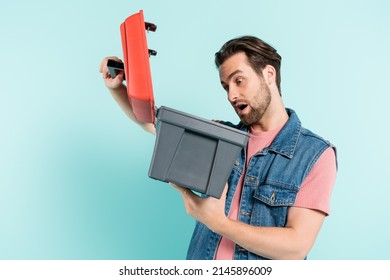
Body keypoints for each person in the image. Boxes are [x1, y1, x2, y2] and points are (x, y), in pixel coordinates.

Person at [99, 36, 337, 260]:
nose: (232, 95)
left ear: (268, 74)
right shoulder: (219, 135)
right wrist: (117, 87)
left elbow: (297, 246)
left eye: (239, 81)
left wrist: (218, 223)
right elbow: (153, 123)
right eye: (226, 87)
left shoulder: (314, 154)